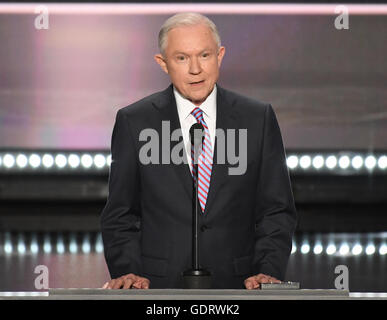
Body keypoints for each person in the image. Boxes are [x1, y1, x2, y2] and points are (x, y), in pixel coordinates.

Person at [101, 12, 297, 290]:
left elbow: (276, 210)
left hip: (240, 287)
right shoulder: (135, 121)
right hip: (157, 288)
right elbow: (120, 214)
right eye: (182, 58)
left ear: (220, 56)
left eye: (204, 55)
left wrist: (268, 271)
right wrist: (128, 272)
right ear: (163, 63)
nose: (196, 69)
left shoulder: (257, 118)